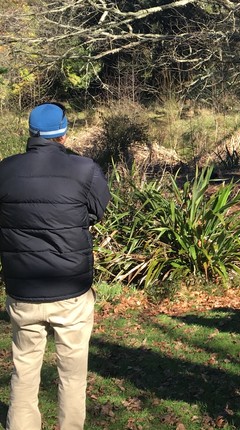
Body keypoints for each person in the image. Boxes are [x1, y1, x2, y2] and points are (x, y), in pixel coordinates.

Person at [0, 102, 111, 430]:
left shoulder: (4, 170)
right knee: (72, 376)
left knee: (23, 373)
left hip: (23, 291)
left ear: (31, 132)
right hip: (70, 291)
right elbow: (98, 210)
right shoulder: (84, 169)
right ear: (63, 133)